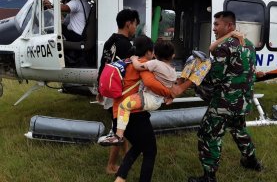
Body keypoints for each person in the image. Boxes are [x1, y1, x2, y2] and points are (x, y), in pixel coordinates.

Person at [188, 11, 262, 182]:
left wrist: (197, 71)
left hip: (224, 103)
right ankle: (251, 161)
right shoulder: (249, 44)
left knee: (209, 135)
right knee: (238, 129)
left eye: (216, 25)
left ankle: (209, 176)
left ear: (229, 26)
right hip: (243, 101)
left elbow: (215, 78)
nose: (214, 28)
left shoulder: (224, 47)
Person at [113, 35, 174, 182]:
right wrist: (169, 93)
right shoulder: (144, 63)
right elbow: (149, 82)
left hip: (118, 114)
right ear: (148, 52)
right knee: (150, 151)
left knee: (139, 146)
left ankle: (120, 178)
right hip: (135, 116)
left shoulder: (126, 61)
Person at [99, 40, 177, 145]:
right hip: (156, 100)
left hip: (148, 98)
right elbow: (171, 85)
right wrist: (169, 95)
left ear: (155, 54)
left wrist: (133, 59)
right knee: (144, 147)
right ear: (173, 56)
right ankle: (117, 134)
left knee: (124, 105)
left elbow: (141, 72)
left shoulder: (154, 63)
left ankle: (118, 135)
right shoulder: (173, 71)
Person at [97, 9, 140, 174]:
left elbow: (103, 64)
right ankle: (111, 165)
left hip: (107, 88)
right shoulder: (126, 45)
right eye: (135, 24)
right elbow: (129, 71)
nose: (136, 27)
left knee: (121, 126)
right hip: (118, 93)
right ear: (129, 23)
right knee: (118, 129)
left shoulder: (111, 41)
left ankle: (127, 155)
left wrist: (99, 89)